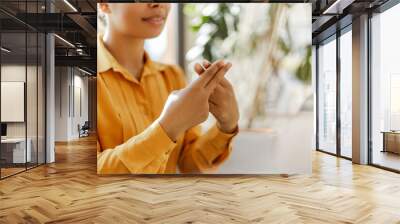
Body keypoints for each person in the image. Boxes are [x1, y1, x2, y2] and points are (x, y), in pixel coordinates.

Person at [97, 3, 239, 174]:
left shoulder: (172, 76)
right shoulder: (82, 80)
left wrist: (226, 125)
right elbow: (89, 175)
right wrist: (167, 128)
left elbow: (190, 164)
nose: (158, 3)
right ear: (103, 4)